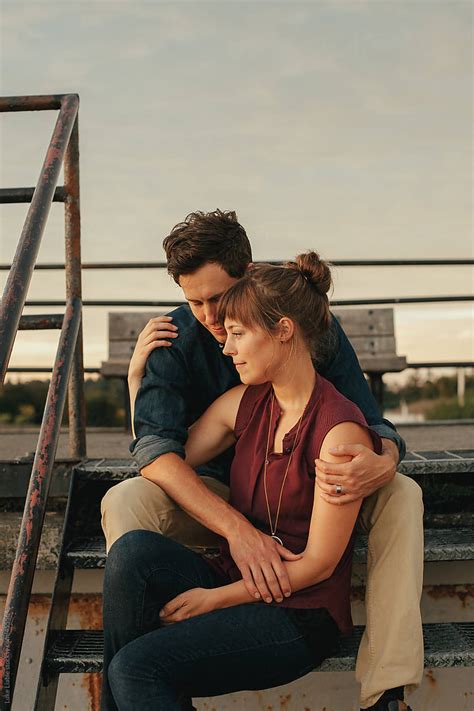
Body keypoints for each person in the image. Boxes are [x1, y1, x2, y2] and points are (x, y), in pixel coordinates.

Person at [101, 211, 423, 711]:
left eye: (220, 304)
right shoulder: (183, 346)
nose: (211, 321)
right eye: (195, 302)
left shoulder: (310, 333)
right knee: (127, 509)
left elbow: (367, 421)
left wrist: (385, 457)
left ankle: (387, 687)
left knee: (403, 491)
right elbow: (159, 452)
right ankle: (144, 674)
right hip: (218, 494)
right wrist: (134, 384)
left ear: (248, 274)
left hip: (306, 540)